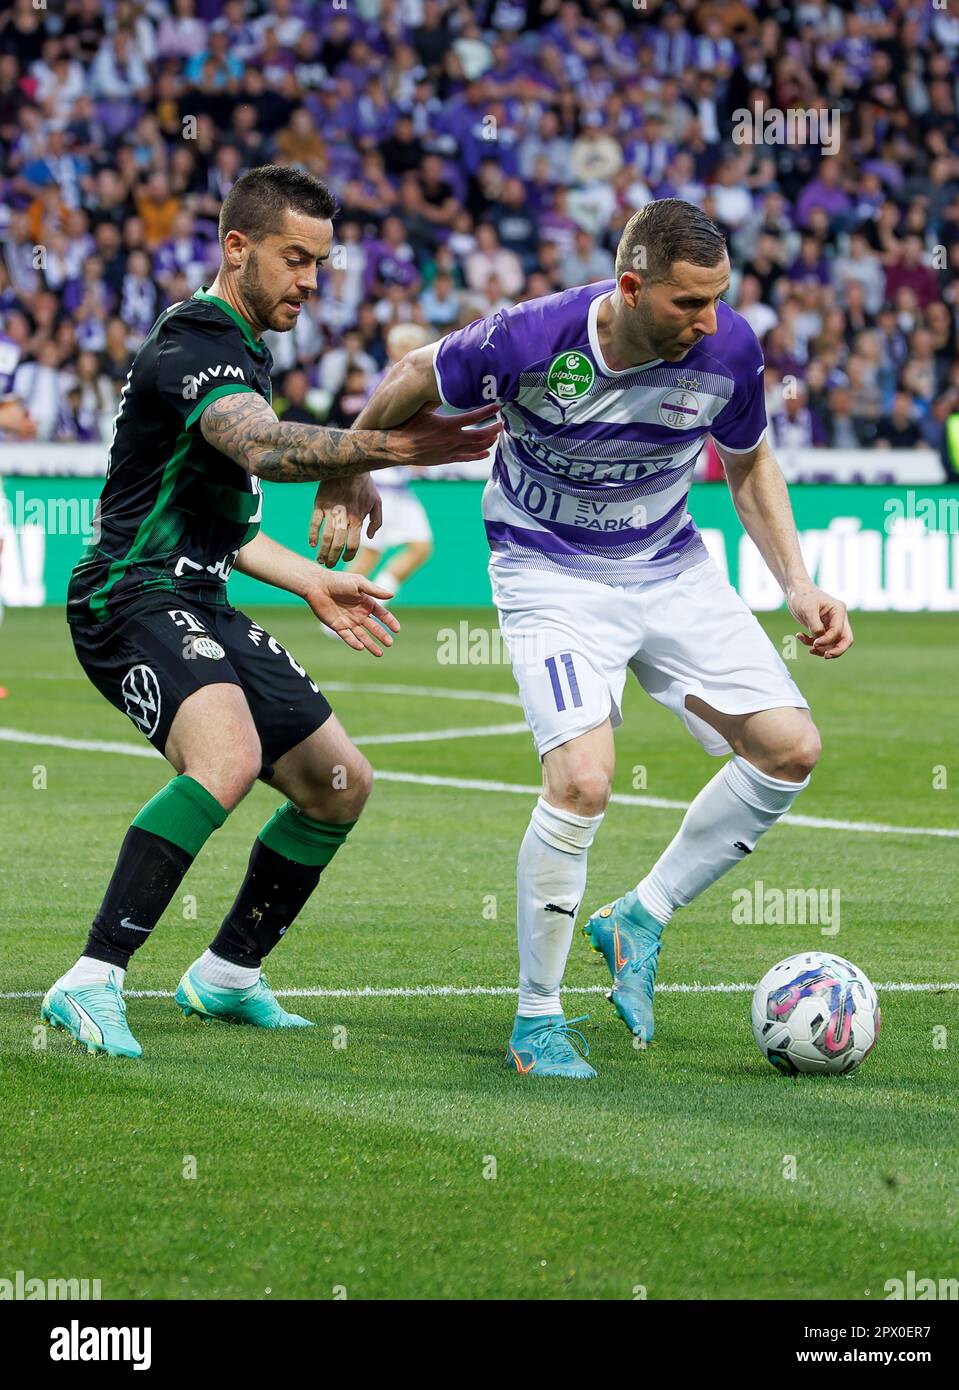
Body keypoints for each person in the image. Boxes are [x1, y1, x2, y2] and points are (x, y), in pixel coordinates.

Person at [315, 199, 852, 1080]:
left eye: (717, 299)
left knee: (790, 749)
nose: (708, 321)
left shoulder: (729, 350)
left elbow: (750, 464)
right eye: (688, 303)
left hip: (669, 564)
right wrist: (348, 467)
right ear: (630, 286)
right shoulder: (529, 339)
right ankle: (536, 1020)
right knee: (582, 780)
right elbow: (414, 371)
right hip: (548, 572)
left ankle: (637, 918)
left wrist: (797, 583)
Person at [42, 165, 499, 1059]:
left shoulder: (248, 346)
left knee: (339, 785)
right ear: (237, 248)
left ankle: (226, 975)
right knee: (228, 758)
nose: (311, 282)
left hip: (199, 592)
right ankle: (90, 977)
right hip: (125, 595)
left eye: (321, 264)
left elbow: (234, 526)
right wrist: (395, 445)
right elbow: (261, 444)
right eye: (296, 259)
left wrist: (313, 582)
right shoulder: (196, 340)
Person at [335, 323, 435, 602]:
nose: (415, 351)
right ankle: (341, 607)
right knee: (370, 551)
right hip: (381, 480)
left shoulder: (411, 380)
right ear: (394, 349)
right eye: (409, 346)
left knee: (420, 547)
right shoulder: (387, 380)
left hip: (398, 482)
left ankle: (371, 603)